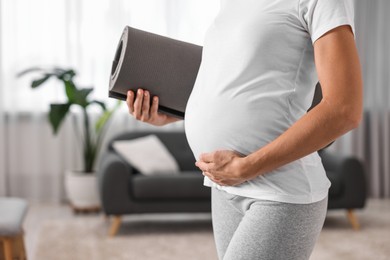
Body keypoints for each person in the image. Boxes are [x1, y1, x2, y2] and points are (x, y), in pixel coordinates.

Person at [126, 0, 362, 259]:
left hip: (279, 191)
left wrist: (246, 167)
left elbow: (344, 109)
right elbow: (234, 83)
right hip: (224, 185)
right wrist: (170, 115)